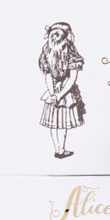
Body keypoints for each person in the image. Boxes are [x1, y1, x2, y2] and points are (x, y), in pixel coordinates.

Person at [38, 22, 86, 159]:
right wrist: (57, 95)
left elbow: (48, 75)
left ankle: (58, 150)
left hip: (56, 92)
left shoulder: (48, 50)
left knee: (55, 124)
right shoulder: (70, 51)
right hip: (66, 93)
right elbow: (72, 78)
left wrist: (53, 94)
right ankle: (60, 150)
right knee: (61, 124)